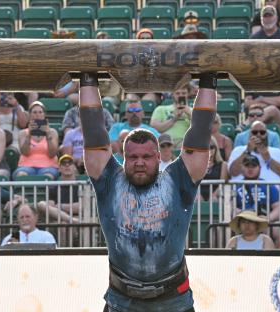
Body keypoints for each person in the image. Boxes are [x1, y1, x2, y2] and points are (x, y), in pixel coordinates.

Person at [78, 71, 217, 311]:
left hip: (173, 300)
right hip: (122, 300)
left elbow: (201, 132)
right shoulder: (109, 179)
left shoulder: (178, 180)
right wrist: (87, 79)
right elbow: (93, 131)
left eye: (146, 157)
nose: (139, 162)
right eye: (132, 157)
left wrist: (208, 80)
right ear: (123, 158)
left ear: (158, 157)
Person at [13, 101, 59, 180]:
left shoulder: (53, 132)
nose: (37, 114)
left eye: (40, 112)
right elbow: (25, 152)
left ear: (44, 115)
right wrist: (29, 135)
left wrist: (48, 134)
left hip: (48, 166)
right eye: (34, 112)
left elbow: (52, 154)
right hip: (26, 166)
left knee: (47, 177)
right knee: (21, 175)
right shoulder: (23, 133)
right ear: (30, 115)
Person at [235, 154, 280, 222]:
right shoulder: (235, 186)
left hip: (263, 220)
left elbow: (279, 207)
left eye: (253, 166)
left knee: (277, 227)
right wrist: (242, 213)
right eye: (247, 166)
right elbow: (229, 206)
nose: (250, 169)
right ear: (242, 168)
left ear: (259, 168)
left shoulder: (268, 185)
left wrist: (268, 218)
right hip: (242, 220)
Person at [200, 137, 228, 202]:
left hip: (217, 195)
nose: (209, 150)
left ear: (216, 149)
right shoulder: (196, 165)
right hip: (198, 194)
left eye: (211, 147)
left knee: (214, 199)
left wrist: (214, 195)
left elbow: (222, 184)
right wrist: (198, 195)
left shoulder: (223, 165)